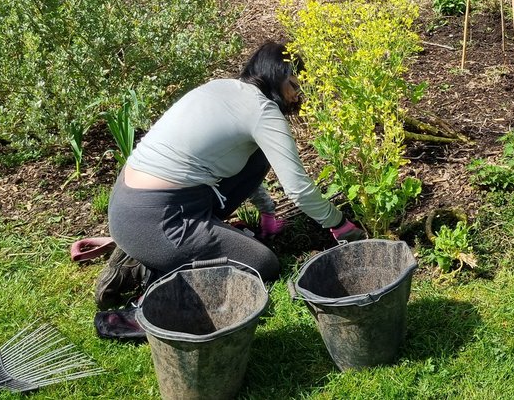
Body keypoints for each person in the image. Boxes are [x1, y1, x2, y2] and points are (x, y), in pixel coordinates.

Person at [97, 42, 363, 311]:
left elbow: (243, 166)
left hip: (127, 202)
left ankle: (156, 247)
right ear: (276, 76)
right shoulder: (262, 111)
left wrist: (267, 213)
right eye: (294, 85)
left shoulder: (220, 88)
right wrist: (339, 223)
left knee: (258, 152)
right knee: (262, 264)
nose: (298, 96)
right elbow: (298, 190)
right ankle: (148, 269)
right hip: (160, 218)